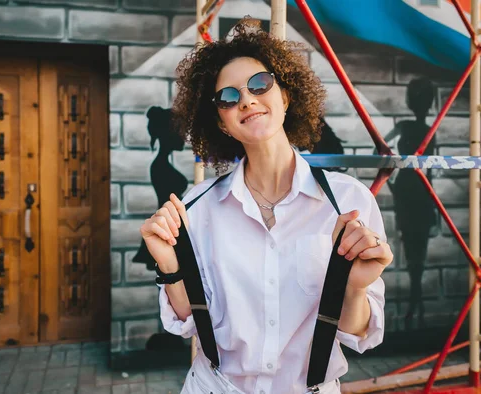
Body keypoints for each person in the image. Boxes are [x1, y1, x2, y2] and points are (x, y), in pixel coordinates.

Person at [139, 19, 393, 394]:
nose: (246, 99)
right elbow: (189, 323)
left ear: (286, 96)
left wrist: (353, 289)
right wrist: (171, 267)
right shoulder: (196, 207)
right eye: (228, 96)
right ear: (222, 123)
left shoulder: (349, 202)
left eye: (260, 84)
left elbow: (360, 335)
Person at [383, 78, 437, 330]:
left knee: (414, 251)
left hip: (409, 190)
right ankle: (417, 307)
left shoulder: (406, 127)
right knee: (418, 253)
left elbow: (380, 150)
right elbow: (432, 170)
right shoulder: (428, 130)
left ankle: (416, 308)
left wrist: (392, 184)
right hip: (419, 191)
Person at [132, 106, 188, 270]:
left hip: (170, 225)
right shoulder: (160, 166)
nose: (184, 137)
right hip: (168, 227)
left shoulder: (161, 165)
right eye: (180, 132)